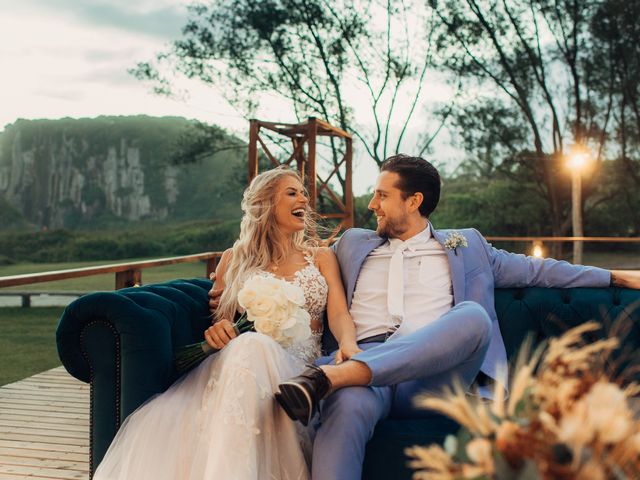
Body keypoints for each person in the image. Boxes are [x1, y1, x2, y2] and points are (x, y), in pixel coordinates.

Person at [271, 154, 640, 480]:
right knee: (346, 404)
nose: (372, 205)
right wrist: (235, 281)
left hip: (433, 378)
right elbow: (296, 263)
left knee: (473, 317)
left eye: (382, 195)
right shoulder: (353, 243)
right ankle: (338, 380)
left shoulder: (468, 246)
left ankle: (329, 378)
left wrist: (616, 276)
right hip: (364, 374)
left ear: (414, 201)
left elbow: (539, 271)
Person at [94, 166, 354, 480]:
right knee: (250, 344)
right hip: (243, 364)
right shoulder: (233, 259)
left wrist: (349, 345)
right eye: (292, 192)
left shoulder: (321, 257)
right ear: (266, 204)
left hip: (298, 371)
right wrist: (218, 332)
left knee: (252, 345)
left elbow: (339, 315)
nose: (304, 198)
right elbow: (223, 324)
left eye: (303, 193)